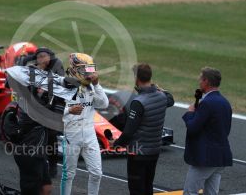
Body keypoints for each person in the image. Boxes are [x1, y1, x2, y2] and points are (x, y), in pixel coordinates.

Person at [112, 63, 174, 195]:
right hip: (154, 151)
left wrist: (116, 144)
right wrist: (158, 88)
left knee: (136, 190)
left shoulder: (138, 102)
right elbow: (171, 99)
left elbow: (128, 132)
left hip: (138, 153)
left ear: (137, 78)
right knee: (147, 187)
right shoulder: (162, 96)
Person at [60, 53, 109, 195]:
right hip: (71, 135)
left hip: (90, 135)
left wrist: (97, 84)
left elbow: (104, 104)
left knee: (97, 173)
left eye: (90, 69)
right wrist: (69, 110)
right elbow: (53, 111)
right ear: (75, 69)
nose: (89, 73)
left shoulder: (91, 87)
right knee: (68, 174)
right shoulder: (63, 86)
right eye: (85, 69)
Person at [182, 67, 233, 195]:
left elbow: (193, 127)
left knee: (189, 192)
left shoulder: (207, 103)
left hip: (205, 158)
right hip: (220, 156)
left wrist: (190, 113)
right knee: (211, 192)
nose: (199, 82)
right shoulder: (225, 102)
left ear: (206, 81)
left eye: (201, 79)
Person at [34, 47, 65, 178]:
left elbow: (59, 89)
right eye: (39, 56)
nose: (41, 59)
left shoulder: (57, 66)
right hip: (39, 105)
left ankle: (52, 164)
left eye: (44, 56)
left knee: (51, 135)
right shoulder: (34, 68)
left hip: (57, 104)